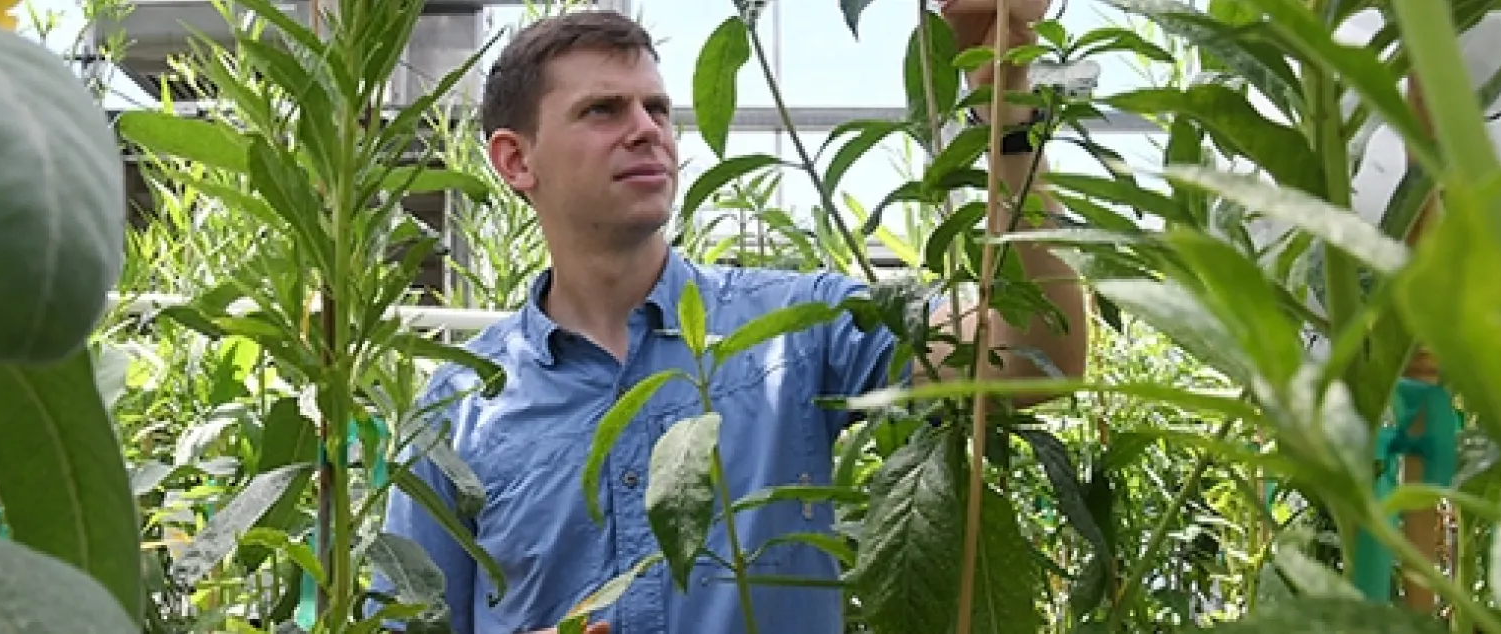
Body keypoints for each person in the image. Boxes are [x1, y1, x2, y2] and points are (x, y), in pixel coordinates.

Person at [376, 1, 1084, 632]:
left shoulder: (793, 329)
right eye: (603, 110)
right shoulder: (458, 410)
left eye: (657, 109)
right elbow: (405, 618)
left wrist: (1003, 97)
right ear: (514, 160)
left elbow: (1028, 357)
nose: (646, 131)